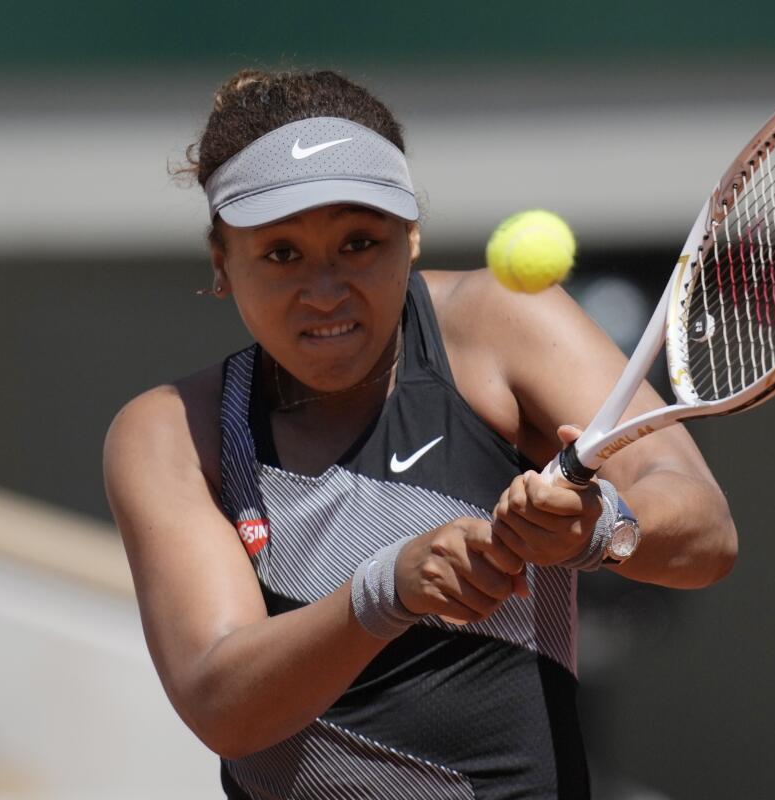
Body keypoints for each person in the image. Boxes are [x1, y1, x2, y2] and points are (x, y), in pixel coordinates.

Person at [103, 68, 737, 799]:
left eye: (359, 243)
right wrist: (386, 589)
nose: (324, 289)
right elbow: (223, 703)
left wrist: (599, 531)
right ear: (223, 264)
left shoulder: (502, 322)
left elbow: (705, 530)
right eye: (282, 254)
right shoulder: (170, 433)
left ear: (411, 236)